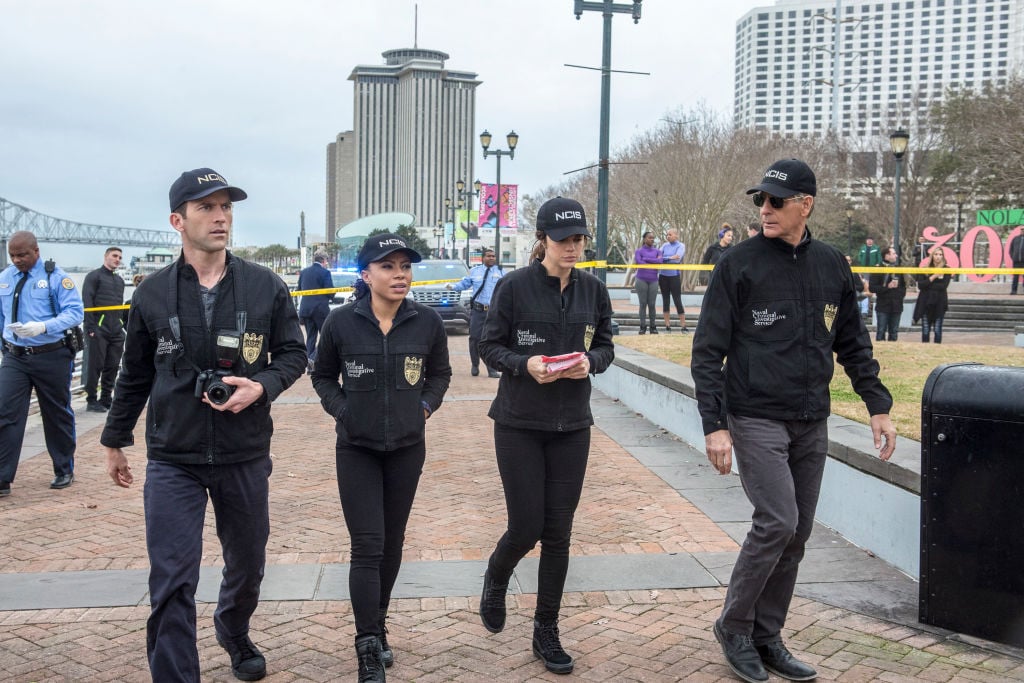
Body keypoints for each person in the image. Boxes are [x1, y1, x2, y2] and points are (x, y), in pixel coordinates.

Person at [692, 159, 896, 683]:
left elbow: (853, 343)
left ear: (805, 204)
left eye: (776, 201)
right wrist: (714, 425)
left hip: (812, 418)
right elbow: (707, 351)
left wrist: (878, 405)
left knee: (799, 532)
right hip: (755, 414)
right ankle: (734, 626)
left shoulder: (833, 265)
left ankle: (767, 635)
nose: (765, 209)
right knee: (777, 521)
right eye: (760, 201)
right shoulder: (737, 264)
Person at [101, 168, 306, 682]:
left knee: (247, 565)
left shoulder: (265, 287)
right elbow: (135, 372)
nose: (220, 217)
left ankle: (233, 630)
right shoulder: (150, 293)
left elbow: (293, 354)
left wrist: (263, 386)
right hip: (174, 457)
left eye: (226, 207)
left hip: (244, 451)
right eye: (206, 208)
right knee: (171, 577)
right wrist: (115, 439)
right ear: (178, 219)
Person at [477, 197, 615, 675]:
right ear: (543, 241)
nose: (573, 247)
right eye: (564, 240)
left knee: (559, 533)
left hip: (572, 426)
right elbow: (488, 345)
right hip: (519, 424)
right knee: (526, 526)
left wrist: (590, 363)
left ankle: (546, 630)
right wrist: (525, 364)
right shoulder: (514, 287)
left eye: (578, 239)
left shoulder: (593, 291)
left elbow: (606, 344)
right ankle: (497, 574)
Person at [311, 233, 451, 682]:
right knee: (367, 544)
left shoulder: (426, 322)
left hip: (408, 448)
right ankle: (367, 643)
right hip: (357, 448)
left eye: (405, 267)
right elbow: (322, 375)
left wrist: (424, 406)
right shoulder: (339, 323)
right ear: (365, 274)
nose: (400, 275)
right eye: (388, 267)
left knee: (392, 542)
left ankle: (380, 621)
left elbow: (441, 374)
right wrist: (345, 412)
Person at [0, 231, 85, 497]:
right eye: (12, 255)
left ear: (36, 251)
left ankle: (63, 469)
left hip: (51, 355)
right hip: (15, 356)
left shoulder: (55, 277)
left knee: (56, 413)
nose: (17, 260)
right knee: (5, 412)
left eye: (22, 254)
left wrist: (43, 326)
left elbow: (74, 313)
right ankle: (2, 478)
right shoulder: (4, 279)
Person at [82, 246, 126, 412]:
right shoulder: (94, 277)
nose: (117, 259)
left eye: (119, 257)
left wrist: (121, 324)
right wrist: (90, 327)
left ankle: (106, 398)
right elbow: (87, 302)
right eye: (114, 256)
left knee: (113, 365)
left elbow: (120, 306)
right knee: (95, 365)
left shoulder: (120, 281)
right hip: (98, 329)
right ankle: (91, 399)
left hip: (116, 330)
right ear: (106, 256)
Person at [448, 247, 504, 376]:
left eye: (493, 256)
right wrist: (452, 287)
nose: (491, 258)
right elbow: (464, 285)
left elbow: (508, 286)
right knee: (474, 338)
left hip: (493, 312)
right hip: (478, 311)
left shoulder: (501, 271)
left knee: (491, 339)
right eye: (489, 256)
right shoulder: (475, 271)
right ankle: (475, 364)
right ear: (483, 258)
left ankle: (491, 369)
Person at [297, 251, 334, 372]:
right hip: (320, 310)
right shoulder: (325, 272)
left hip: (306, 309)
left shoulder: (304, 272)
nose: (327, 263)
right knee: (326, 336)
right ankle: (313, 358)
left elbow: (299, 289)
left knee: (310, 337)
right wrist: (331, 297)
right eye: (326, 261)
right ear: (323, 261)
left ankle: (309, 364)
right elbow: (330, 291)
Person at [869, 246, 907, 342]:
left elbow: (903, 286)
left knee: (894, 331)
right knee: (881, 331)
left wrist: (900, 295)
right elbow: (872, 287)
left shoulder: (898, 268)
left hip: (896, 304)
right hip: (883, 304)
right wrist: (887, 287)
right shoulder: (878, 268)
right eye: (894, 253)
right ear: (887, 255)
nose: (896, 256)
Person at [913, 249, 951, 343]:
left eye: (940, 254)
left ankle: (937, 349)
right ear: (932, 256)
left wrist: (928, 284)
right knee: (925, 329)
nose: (938, 256)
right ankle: (925, 347)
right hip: (926, 302)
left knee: (938, 329)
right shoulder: (925, 269)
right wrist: (933, 277)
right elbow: (921, 285)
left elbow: (943, 286)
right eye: (936, 254)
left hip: (939, 302)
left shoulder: (946, 269)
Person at [658, 227, 687, 332]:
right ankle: (667, 326)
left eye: (670, 234)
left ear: (676, 235)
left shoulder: (681, 245)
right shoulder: (664, 245)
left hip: (674, 276)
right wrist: (669, 258)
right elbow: (658, 257)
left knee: (677, 300)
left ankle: (683, 326)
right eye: (667, 235)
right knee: (666, 301)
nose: (668, 236)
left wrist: (665, 259)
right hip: (663, 276)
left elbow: (677, 258)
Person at [633, 231, 661, 334]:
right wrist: (653, 260)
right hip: (641, 279)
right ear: (644, 239)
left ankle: (653, 327)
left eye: (653, 238)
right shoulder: (638, 251)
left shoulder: (658, 251)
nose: (652, 239)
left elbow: (660, 261)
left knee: (652, 304)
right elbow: (640, 262)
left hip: (653, 280)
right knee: (643, 303)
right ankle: (643, 326)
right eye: (650, 238)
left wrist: (646, 259)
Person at [1009, 230, 1024, 295]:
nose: (1022, 231)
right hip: (1016, 262)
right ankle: (1014, 290)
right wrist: (1013, 257)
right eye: (1022, 230)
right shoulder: (1015, 238)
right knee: (1015, 277)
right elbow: (1011, 249)